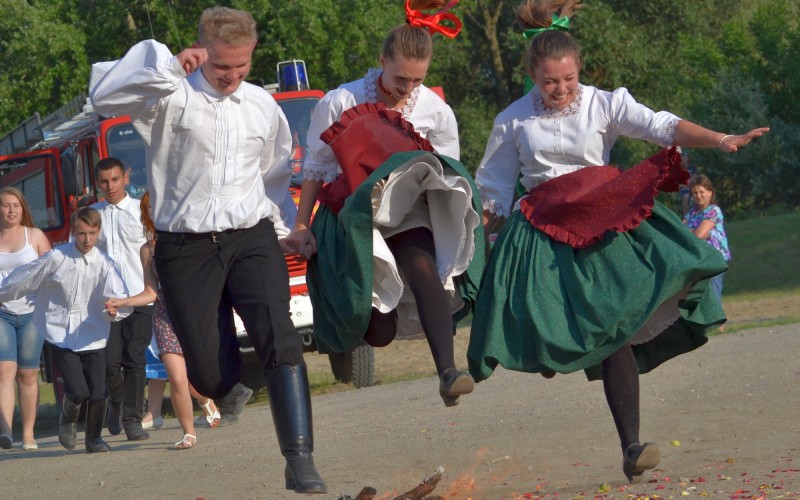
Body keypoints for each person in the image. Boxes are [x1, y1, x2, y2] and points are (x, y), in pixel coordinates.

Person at [468, 0, 769, 483]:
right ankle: (553, 357)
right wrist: (477, 243)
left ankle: (631, 446)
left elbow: (661, 126)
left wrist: (720, 138)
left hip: (602, 220)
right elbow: (494, 192)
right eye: (549, 81)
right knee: (550, 328)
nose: (561, 89)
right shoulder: (512, 120)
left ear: (579, 70)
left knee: (615, 333)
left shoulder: (606, 103)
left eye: (568, 79)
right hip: (544, 229)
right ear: (531, 73)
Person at [90, 6, 326, 492]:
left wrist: (287, 226)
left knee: (279, 335)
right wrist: (173, 68)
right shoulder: (167, 95)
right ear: (203, 50)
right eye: (222, 67)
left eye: (241, 67)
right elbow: (103, 95)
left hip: (250, 236)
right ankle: (224, 384)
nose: (232, 77)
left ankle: (300, 459)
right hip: (184, 248)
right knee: (213, 377)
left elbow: (275, 174)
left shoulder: (262, 105)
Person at [285, 0, 483, 407]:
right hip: (353, 209)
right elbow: (316, 170)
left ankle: (448, 372)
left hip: (409, 208)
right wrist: (302, 225)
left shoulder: (435, 111)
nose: (407, 88)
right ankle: (356, 330)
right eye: (400, 77)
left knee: (423, 267)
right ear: (381, 61)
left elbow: (449, 172)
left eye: (416, 80)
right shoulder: (342, 100)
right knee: (379, 332)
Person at [0, 207, 131, 453]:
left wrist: (116, 309)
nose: (87, 239)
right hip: (60, 333)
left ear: (98, 232)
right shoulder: (57, 257)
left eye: (92, 233)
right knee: (78, 390)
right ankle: (67, 420)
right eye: (81, 233)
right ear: (73, 231)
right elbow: (25, 277)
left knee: (99, 392)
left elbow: (119, 296)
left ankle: (93, 439)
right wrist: (3, 294)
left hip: (93, 334)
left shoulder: (104, 263)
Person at [106, 193, 221, 449]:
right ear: (146, 214)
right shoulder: (147, 250)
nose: (155, 213)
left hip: (194, 315)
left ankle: (206, 401)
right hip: (164, 317)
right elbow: (151, 292)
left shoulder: (190, 240)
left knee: (199, 372)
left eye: (159, 207)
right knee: (177, 378)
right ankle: (188, 433)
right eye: (149, 209)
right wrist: (122, 301)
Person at [90, 157, 152, 441]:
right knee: (110, 363)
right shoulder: (91, 215)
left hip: (139, 296)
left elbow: (153, 249)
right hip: (106, 302)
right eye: (104, 182)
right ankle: (116, 401)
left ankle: (132, 418)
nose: (110, 186)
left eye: (115, 179)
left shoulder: (141, 210)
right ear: (98, 183)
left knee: (135, 359)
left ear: (125, 178)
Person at [0, 188, 51, 450]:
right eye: (6, 205)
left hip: (32, 312)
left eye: (16, 206)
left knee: (28, 374)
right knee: (4, 370)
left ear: (23, 209)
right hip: (1, 312)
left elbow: (52, 268)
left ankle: (28, 434)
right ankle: (6, 431)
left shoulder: (35, 236)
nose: (11, 210)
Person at [683, 174, 731, 305]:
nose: (698, 196)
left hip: (713, 260)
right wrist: (692, 231)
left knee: (713, 299)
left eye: (701, 192)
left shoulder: (713, 211)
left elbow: (698, 235)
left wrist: (691, 231)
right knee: (698, 300)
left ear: (710, 192)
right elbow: (680, 231)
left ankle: (717, 325)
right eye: (695, 193)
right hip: (697, 260)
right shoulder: (692, 213)